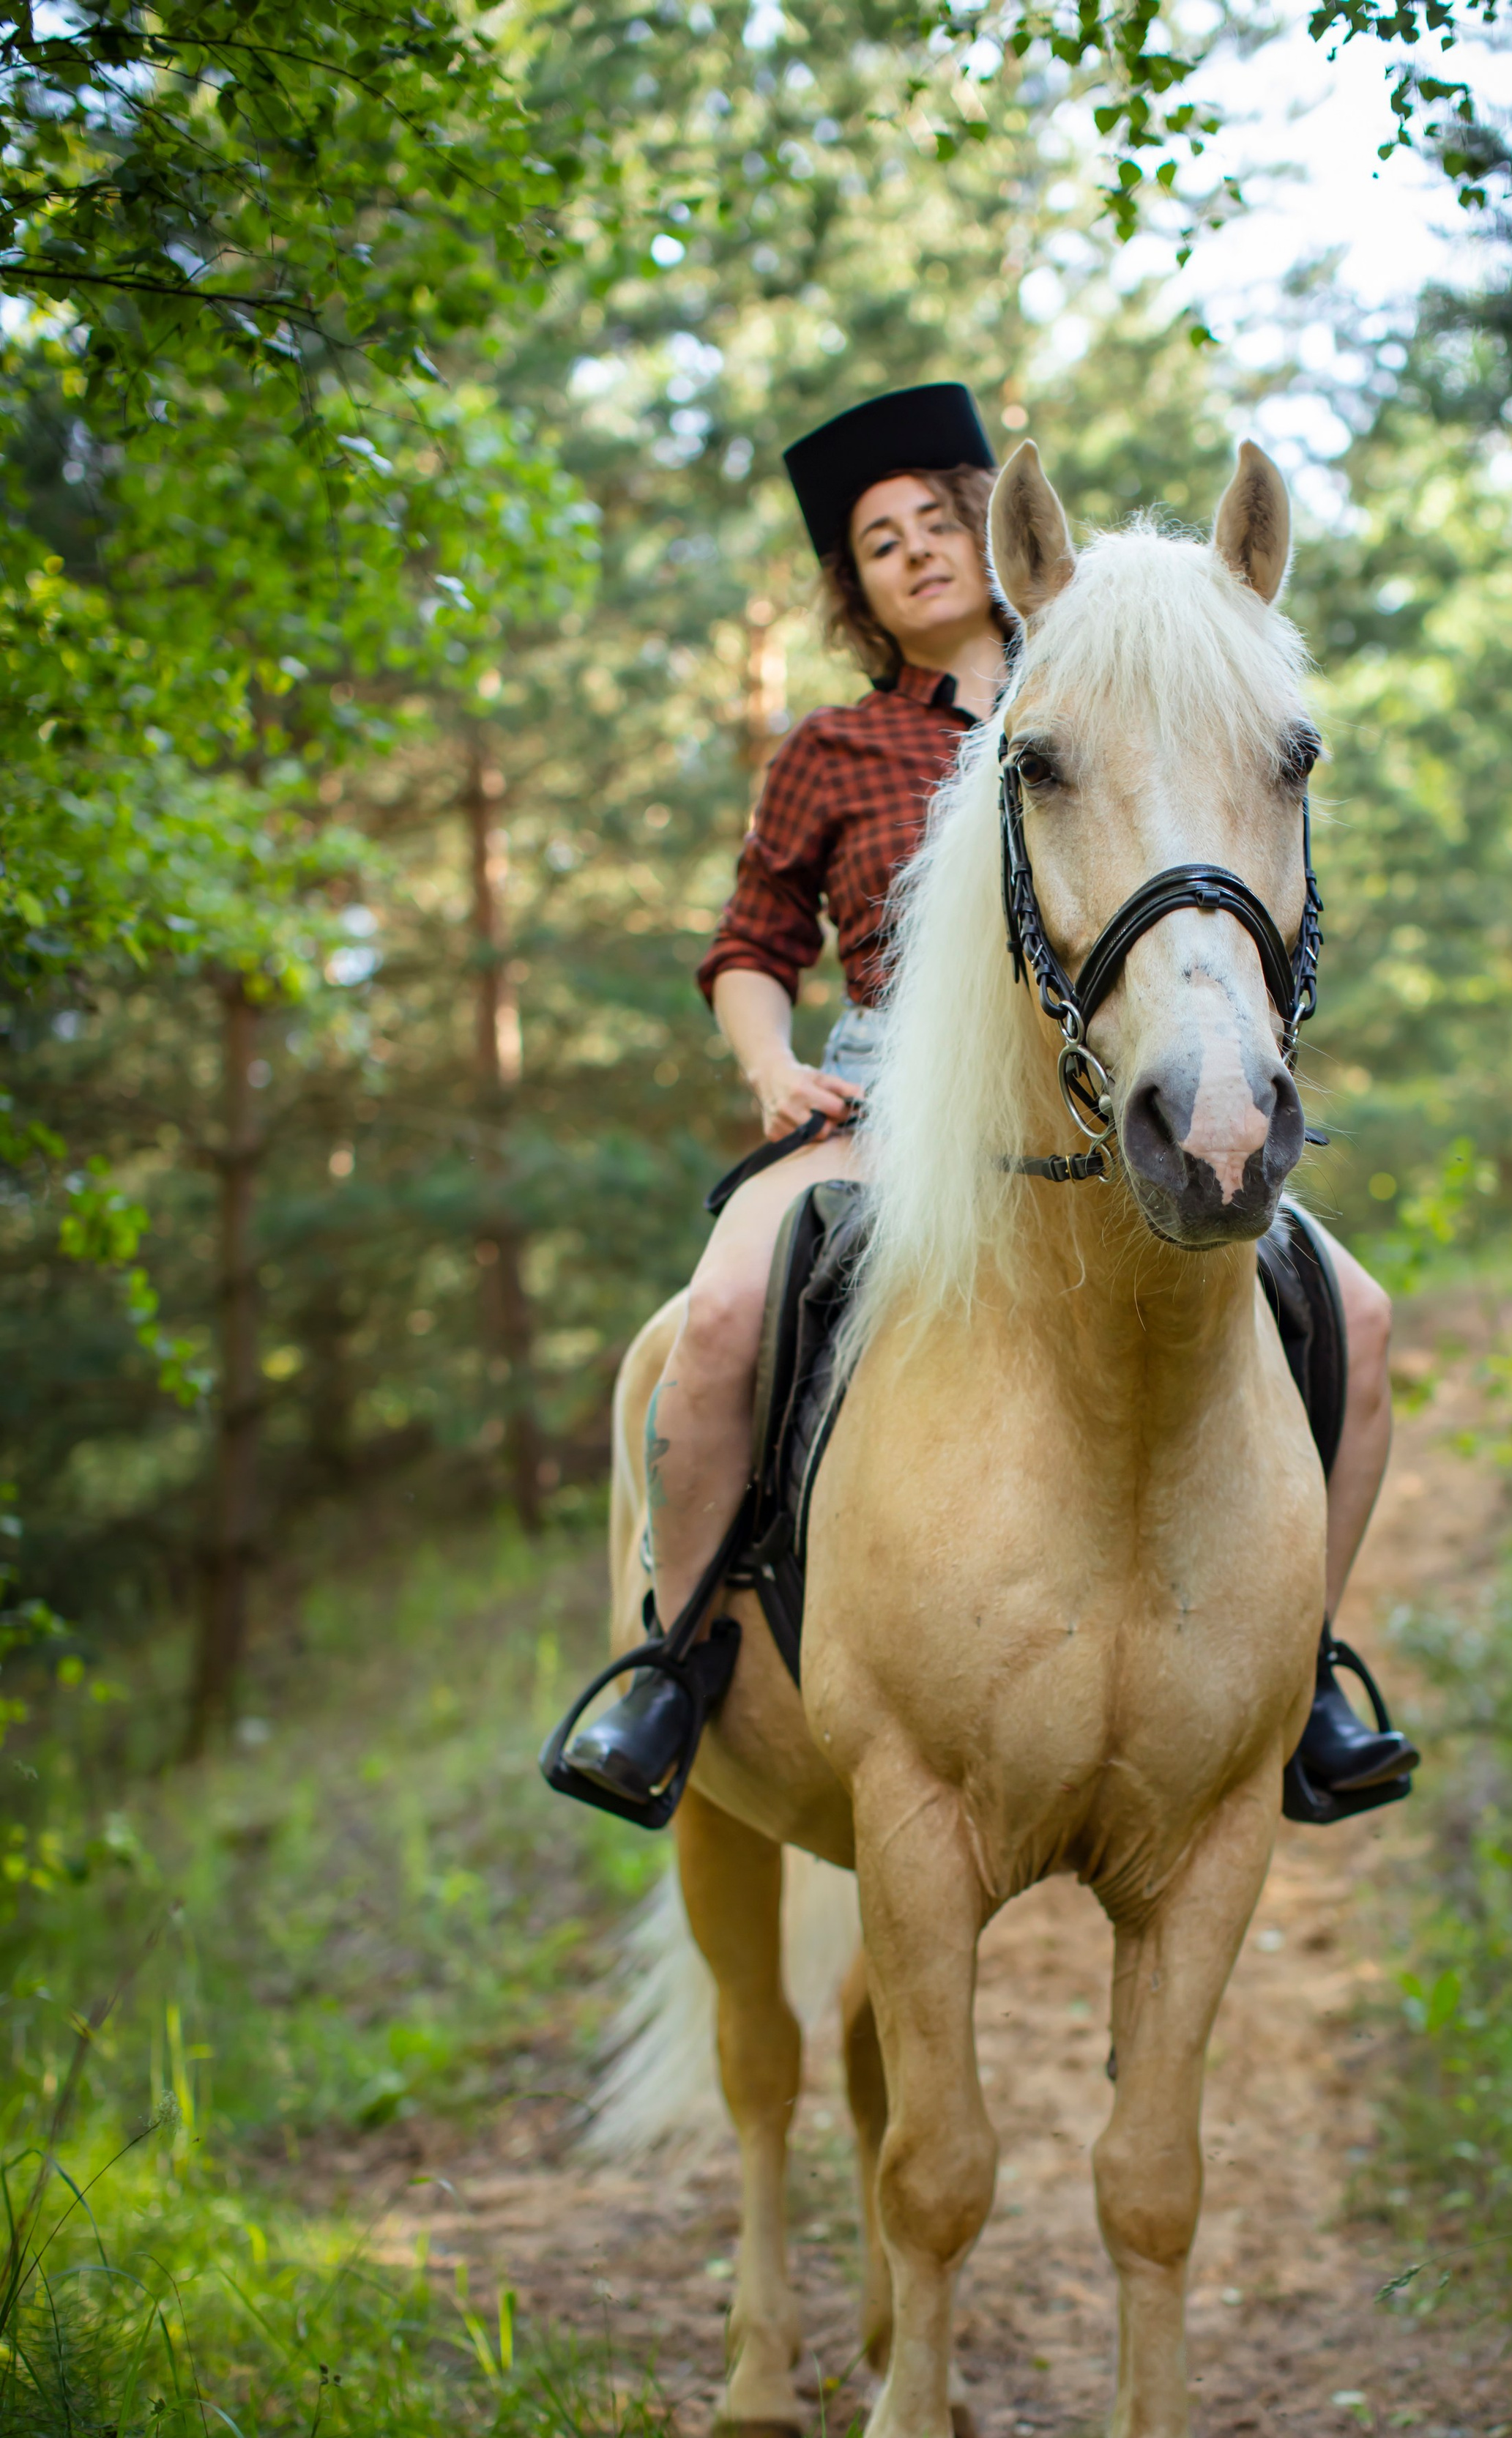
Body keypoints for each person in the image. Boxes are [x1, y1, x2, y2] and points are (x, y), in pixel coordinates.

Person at [569, 382, 1415, 1818]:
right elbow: (750, 944)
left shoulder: (1110, 682)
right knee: (713, 1323)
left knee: (1364, 1318)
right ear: (855, 590)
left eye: (931, 521)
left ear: (993, 531)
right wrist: (770, 1065)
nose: (908, 551)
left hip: (1102, 1091)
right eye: (873, 541)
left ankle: (1303, 1667)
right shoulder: (832, 753)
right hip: (886, 1098)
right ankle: (675, 1664)